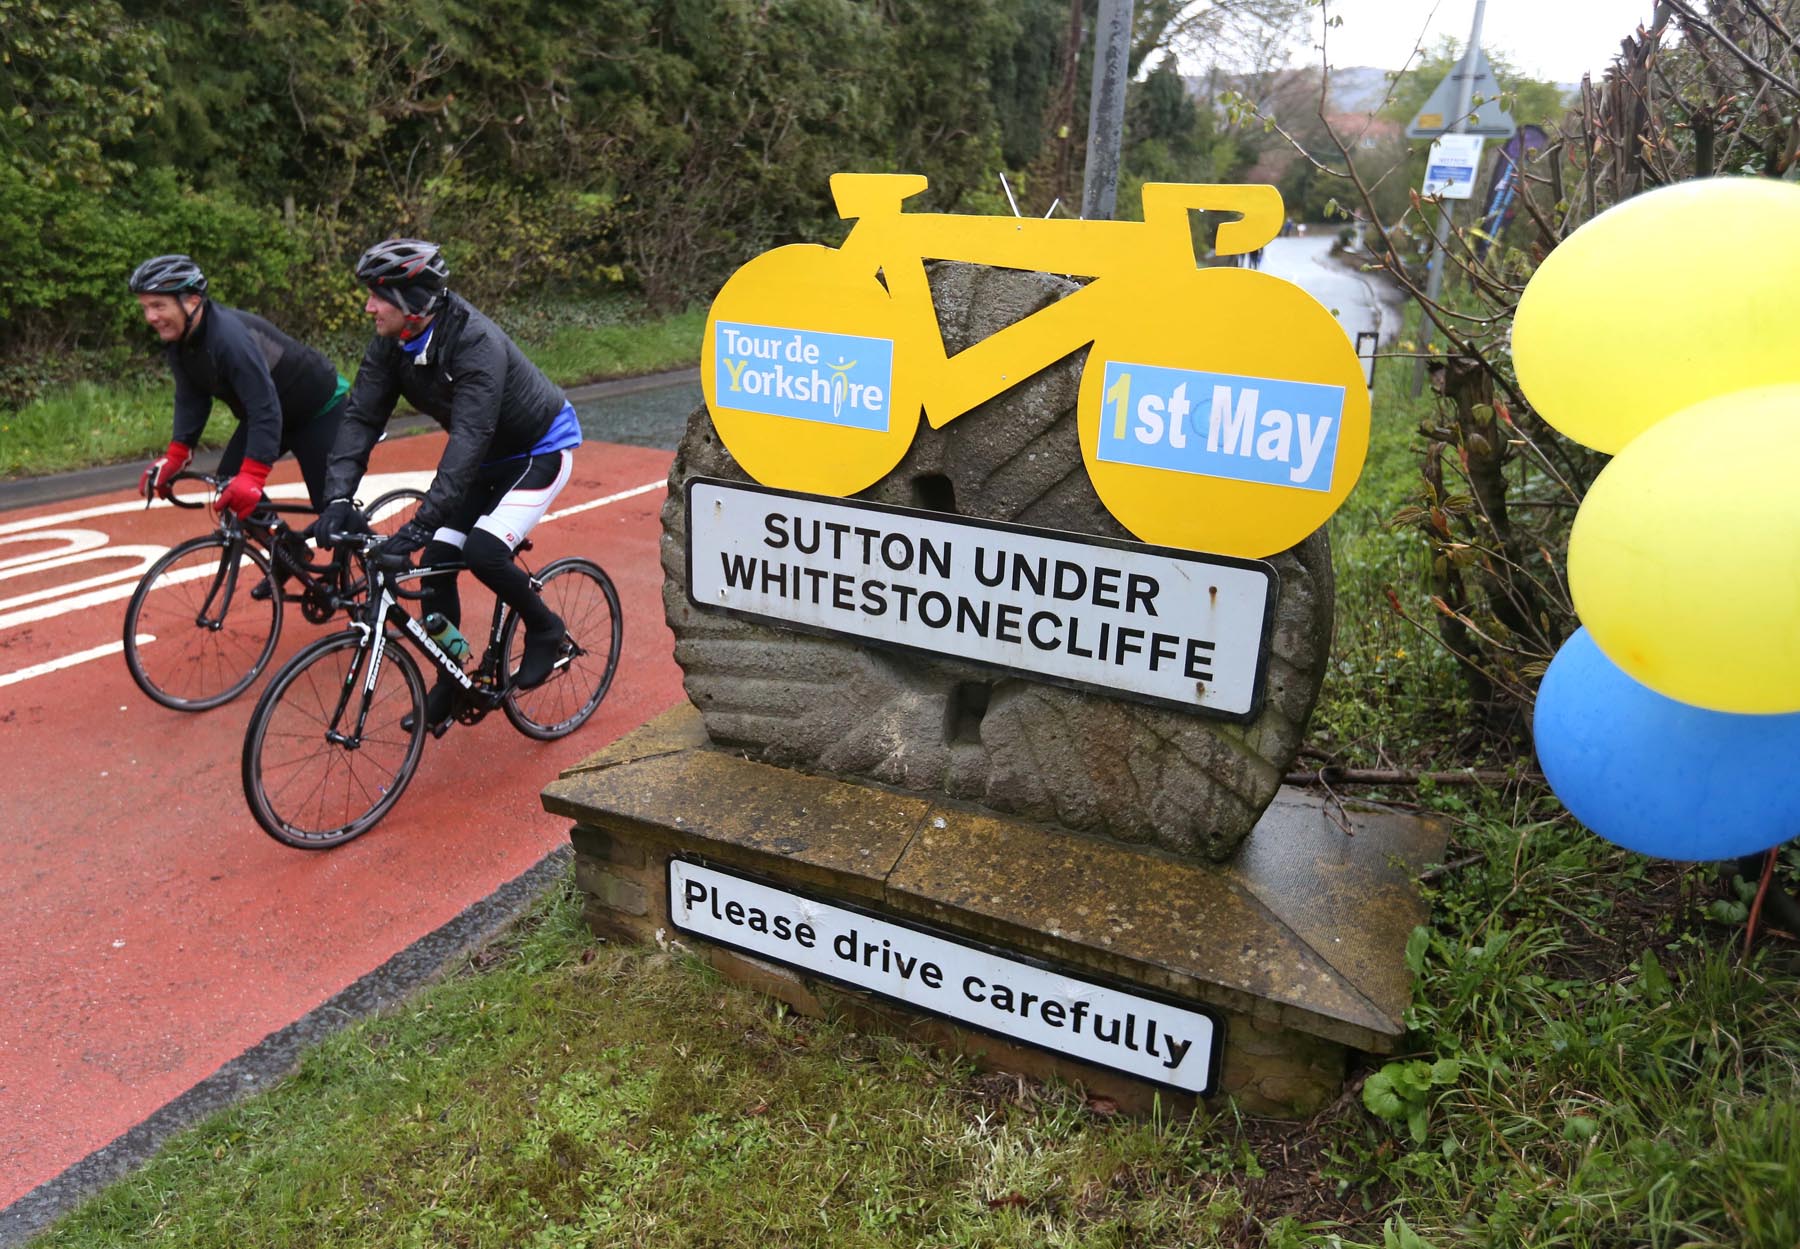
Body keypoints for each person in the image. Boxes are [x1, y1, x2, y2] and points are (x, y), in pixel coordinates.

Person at [317, 238, 583, 732]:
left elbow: (469, 438)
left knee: (483, 552)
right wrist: (336, 498)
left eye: (378, 296)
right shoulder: (392, 343)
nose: (369, 307)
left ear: (413, 302)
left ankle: (546, 627)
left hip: (538, 451)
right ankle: (450, 674)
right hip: (484, 460)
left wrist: (421, 523)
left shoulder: (474, 341)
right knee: (437, 564)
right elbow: (361, 419)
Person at [130, 254, 348, 582]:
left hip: (317, 409)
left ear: (192, 301)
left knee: (331, 506)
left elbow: (263, 406)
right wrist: (177, 454)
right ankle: (288, 551)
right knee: (229, 480)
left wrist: (254, 475)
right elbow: (191, 396)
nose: (151, 316)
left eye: (158, 305)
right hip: (273, 412)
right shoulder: (180, 340)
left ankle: (378, 571)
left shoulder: (229, 338)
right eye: (146, 307)